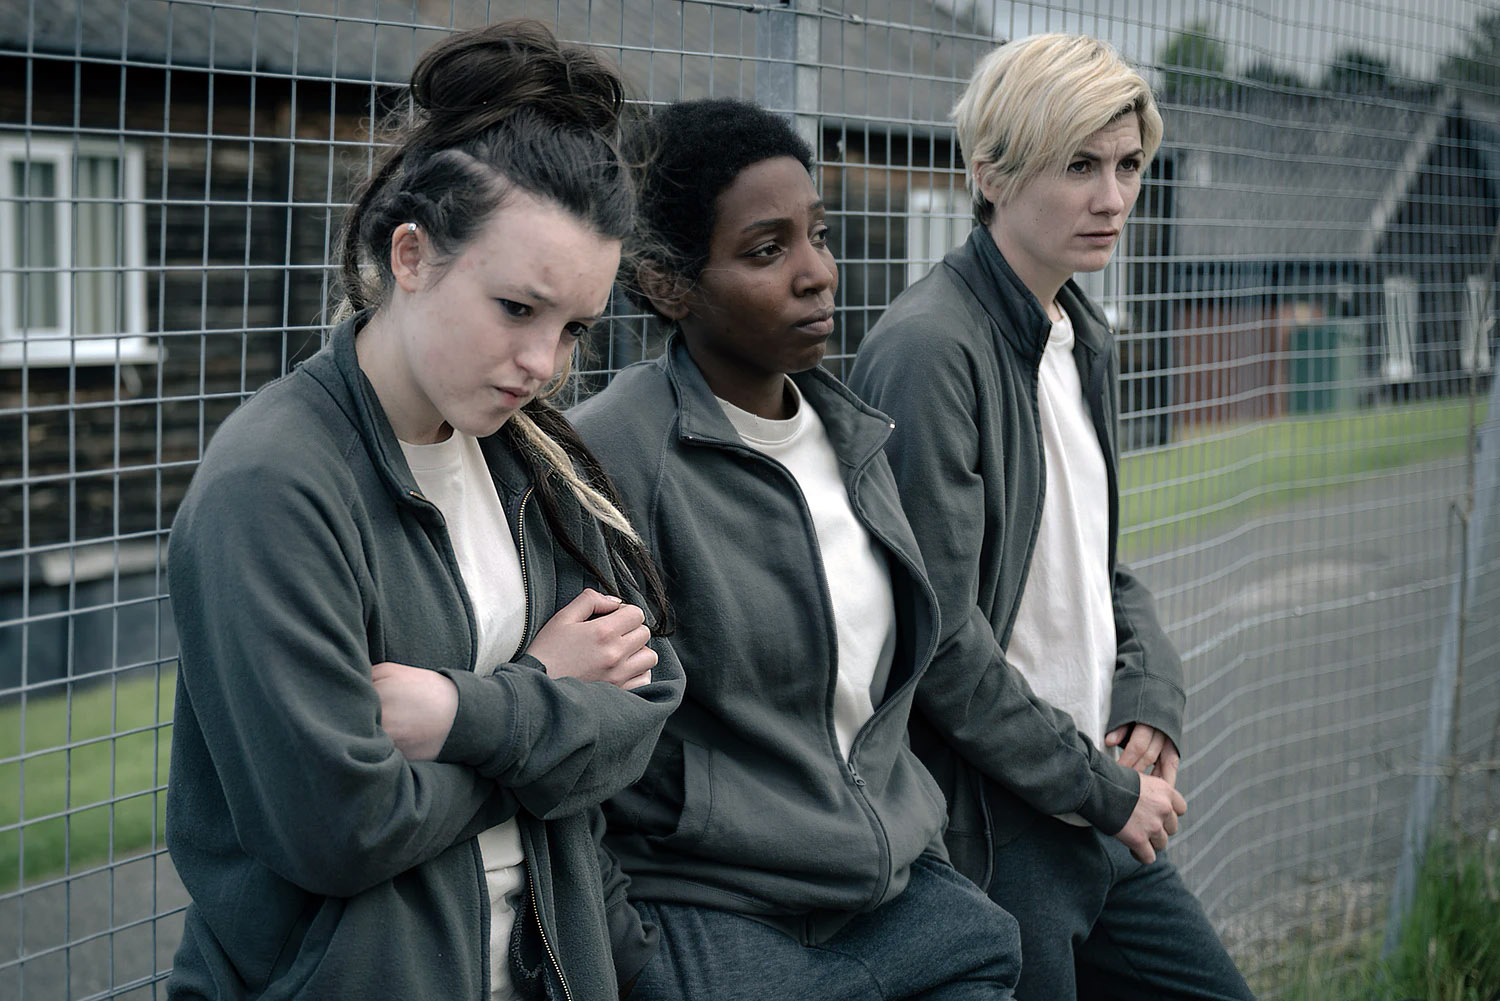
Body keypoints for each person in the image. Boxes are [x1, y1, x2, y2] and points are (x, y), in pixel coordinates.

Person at [163, 21, 684, 1001]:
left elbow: (647, 699)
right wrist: (548, 701)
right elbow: (340, 825)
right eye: (516, 307)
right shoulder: (269, 487)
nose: (544, 363)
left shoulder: (535, 457)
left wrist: (462, 711)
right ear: (411, 255)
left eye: (574, 326)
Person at [570, 98, 1021, 1000]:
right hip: (718, 919)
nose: (817, 273)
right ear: (667, 284)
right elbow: (577, 744)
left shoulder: (853, 436)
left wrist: (921, 850)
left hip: (902, 901)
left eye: (817, 234)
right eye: (766, 250)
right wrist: (637, 958)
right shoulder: (611, 454)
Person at [848, 33, 1253, 1000]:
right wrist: (1105, 790)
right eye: (1078, 166)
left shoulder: (1081, 332)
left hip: (1095, 798)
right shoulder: (928, 350)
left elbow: (1091, 561)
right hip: (1001, 828)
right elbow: (940, 639)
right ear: (990, 174)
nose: (1113, 198)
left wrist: (1151, 688)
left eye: (1128, 165)